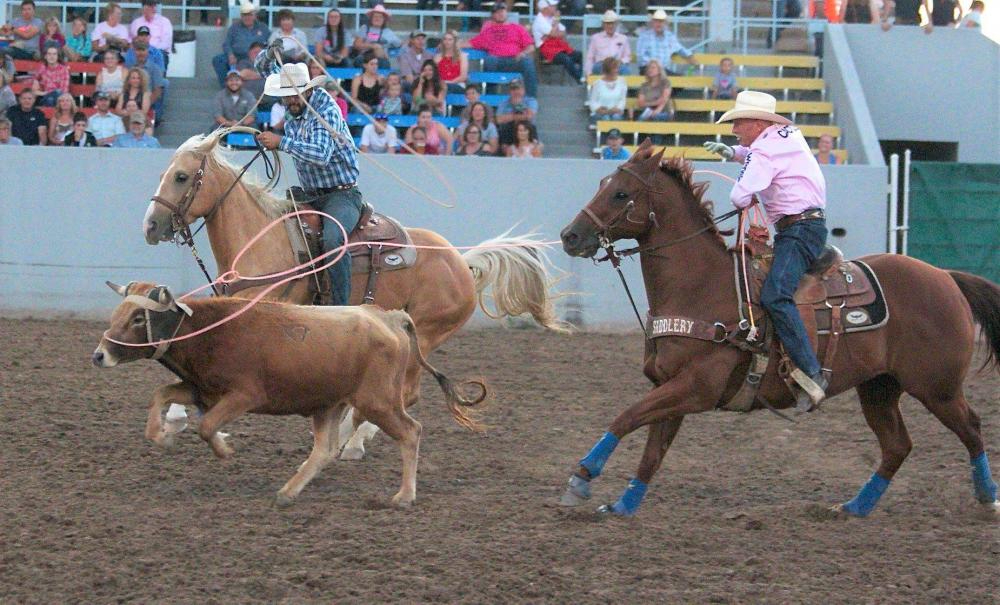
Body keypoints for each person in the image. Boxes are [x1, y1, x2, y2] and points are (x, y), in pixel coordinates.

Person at [703, 90, 830, 411]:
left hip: (798, 230)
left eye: (739, 123)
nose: (734, 129)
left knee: (775, 295)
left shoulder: (764, 151)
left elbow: (740, 195)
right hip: (805, 226)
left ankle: (812, 371)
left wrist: (745, 185)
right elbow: (759, 154)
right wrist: (734, 153)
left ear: (759, 123)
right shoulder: (787, 137)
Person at [253, 54, 364, 307]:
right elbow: (266, 68)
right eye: (286, 95)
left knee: (334, 240)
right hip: (311, 194)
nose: (290, 100)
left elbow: (321, 154)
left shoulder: (325, 109)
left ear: (307, 91)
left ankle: (340, 308)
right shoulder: (295, 106)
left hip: (341, 194)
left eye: (295, 95)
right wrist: (267, 54)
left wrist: (281, 142)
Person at [467, 5, 538, 98]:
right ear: (493, 15)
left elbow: (531, 47)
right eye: (497, 12)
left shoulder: (517, 28)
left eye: (502, 11)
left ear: (506, 12)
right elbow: (471, 43)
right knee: (490, 60)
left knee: (527, 62)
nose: (500, 14)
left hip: (515, 60)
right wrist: (453, 44)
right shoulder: (488, 31)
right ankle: (490, 97)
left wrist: (523, 53)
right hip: (497, 61)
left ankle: (530, 98)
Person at [214, 1, 270, 88]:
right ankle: (226, 87)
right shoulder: (234, 27)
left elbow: (270, 43)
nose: (247, 17)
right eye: (245, 15)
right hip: (237, 56)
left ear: (255, 15)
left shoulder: (263, 28)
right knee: (218, 60)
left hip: (257, 57)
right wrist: (230, 54)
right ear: (241, 16)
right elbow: (226, 43)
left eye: (250, 15)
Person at [531, 0, 582, 81]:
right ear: (545, 8)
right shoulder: (539, 20)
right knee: (566, 59)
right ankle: (580, 79)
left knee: (580, 55)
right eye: (553, 6)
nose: (555, 8)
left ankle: (581, 76)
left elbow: (564, 32)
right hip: (545, 51)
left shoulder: (550, 18)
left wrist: (554, 32)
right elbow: (554, 33)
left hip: (558, 46)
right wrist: (556, 22)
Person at [636, 10, 697, 75]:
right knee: (666, 77)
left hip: (663, 71)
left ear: (665, 23)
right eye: (656, 21)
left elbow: (680, 48)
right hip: (648, 69)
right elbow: (641, 56)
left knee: (681, 80)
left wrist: (689, 56)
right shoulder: (645, 36)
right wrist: (654, 66)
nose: (659, 24)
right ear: (652, 22)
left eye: (661, 21)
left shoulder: (670, 36)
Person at [585, 11, 632, 76]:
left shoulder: (623, 38)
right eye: (608, 23)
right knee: (596, 67)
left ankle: (622, 86)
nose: (610, 26)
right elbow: (590, 57)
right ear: (603, 24)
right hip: (601, 65)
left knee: (626, 70)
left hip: (617, 65)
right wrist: (588, 73)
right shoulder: (595, 38)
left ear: (616, 24)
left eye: (612, 23)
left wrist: (620, 61)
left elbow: (628, 56)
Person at [130, 0, 172, 71]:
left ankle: (157, 80)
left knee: (160, 55)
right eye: (150, 6)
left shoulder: (164, 22)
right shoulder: (136, 23)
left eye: (155, 5)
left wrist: (150, 51)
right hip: (139, 53)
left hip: (157, 53)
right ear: (144, 8)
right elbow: (132, 41)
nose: (154, 8)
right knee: (130, 55)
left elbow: (166, 43)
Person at [131, 40, 167, 121]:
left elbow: (157, 91)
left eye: (143, 50)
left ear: (147, 51)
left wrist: (145, 105)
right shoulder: (131, 68)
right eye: (138, 50)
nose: (140, 53)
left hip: (148, 101)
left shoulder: (155, 69)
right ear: (134, 52)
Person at [588, 57, 626, 123]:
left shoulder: (622, 82)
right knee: (606, 118)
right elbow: (593, 102)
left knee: (616, 117)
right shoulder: (597, 84)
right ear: (608, 70)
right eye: (614, 68)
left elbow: (622, 100)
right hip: (601, 112)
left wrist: (617, 109)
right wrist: (601, 110)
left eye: (617, 68)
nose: (616, 70)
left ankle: (613, 132)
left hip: (616, 112)